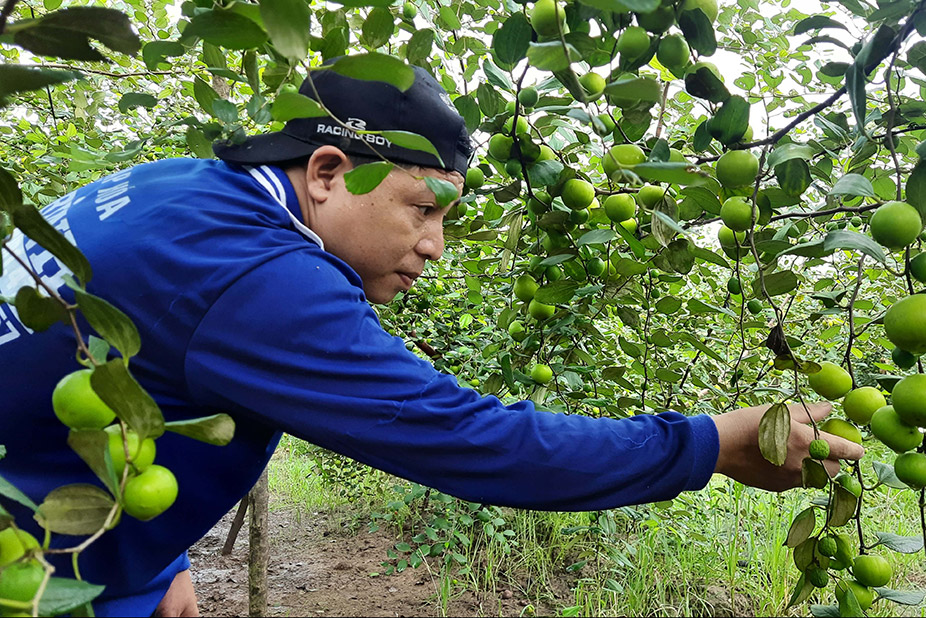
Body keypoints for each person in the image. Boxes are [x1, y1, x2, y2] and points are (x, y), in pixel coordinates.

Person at [0, 65, 864, 616]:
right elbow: (470, 441)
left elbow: (127, 370)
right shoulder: (256, 279)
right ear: (331, 173)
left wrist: (150, 565)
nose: (434, 247)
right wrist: (708, 442)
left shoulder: (171, 191)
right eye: (424, 209)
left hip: (61, 549)